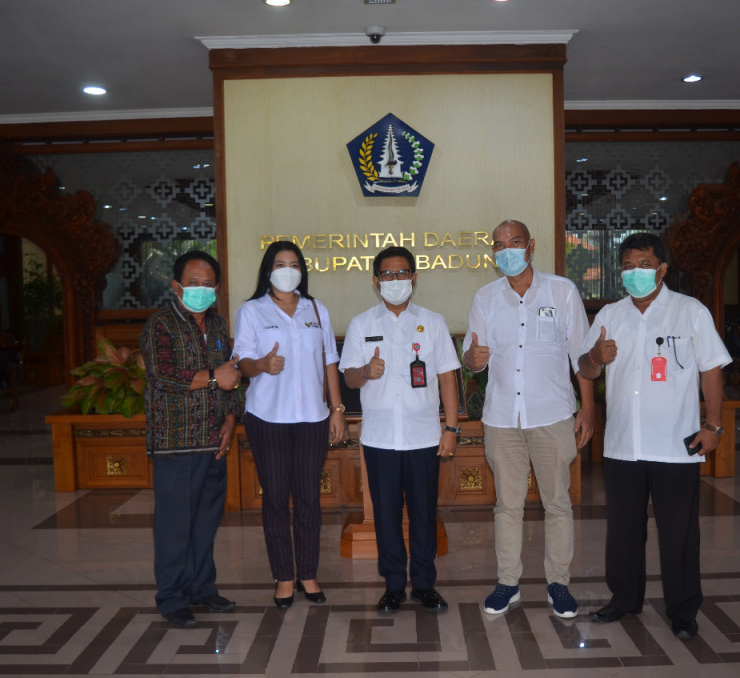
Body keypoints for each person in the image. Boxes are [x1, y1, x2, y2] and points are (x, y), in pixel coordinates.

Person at [578, 232, 731, 640]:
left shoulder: (690, 311)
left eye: (644, 265)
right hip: (623, 445)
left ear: (662, 269)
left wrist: (714, 425)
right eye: (628, 266)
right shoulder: (610, 314)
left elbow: (711, 370)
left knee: (679, 534)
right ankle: (624, 599)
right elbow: (585, 369)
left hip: (675, 445)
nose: (635, 273)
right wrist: (594, 357)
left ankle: (683, 611)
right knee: (623, 530)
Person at [462, 219, 594, 618]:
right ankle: (508, 583)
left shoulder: (562, 291)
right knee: (507, 506)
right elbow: (471, 357)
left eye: (514, 242)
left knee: (558, 504)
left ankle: (559, 585)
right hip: (502, 417)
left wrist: (588, 409)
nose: (507, 251)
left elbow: (581, 356)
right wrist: (473, 359)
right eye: (499, 245)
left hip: (552, 414)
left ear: (530, 245)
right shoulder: (485, 297)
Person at [340, 247, 461, 614]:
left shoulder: (433, 322)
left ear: (414, 278)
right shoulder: (362, 324)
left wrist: (451, 428)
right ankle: (393, 585)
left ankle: (424, 585)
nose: (395, 280)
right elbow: (349, 376)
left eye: (402, 273)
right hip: (380, 438)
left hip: (423, 436)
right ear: (376, 281)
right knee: (386, 515)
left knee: (424, 514)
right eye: (388, 274)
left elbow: (447, 378)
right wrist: (365, 372)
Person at [233, 241, 346, 609]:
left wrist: (337, 409)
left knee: (309, 498)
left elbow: (330, 361)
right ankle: (283, 576)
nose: (287, 270)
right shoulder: (252, 310)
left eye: (294, 264)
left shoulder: (316, 309)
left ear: (302, 270)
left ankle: (308, 574)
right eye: (280, 264)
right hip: (268, 418)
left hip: (312, 418)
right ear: (268, 270)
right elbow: (241, 362)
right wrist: (262, 365)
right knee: (276, 498)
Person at [140, 250, 243, 629]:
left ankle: (202, 588)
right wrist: (215, 377)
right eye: (193, 283)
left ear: (217, 289)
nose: (201, 289)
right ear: (176, 286)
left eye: (208, 284)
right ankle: (172, 598)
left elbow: (232, 374)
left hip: (213, 441)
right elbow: (163, 376)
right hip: (176, 444)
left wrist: (230, 419)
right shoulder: (160, 325)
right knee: (174, 526)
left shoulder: (216, 325)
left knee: (205, 522)